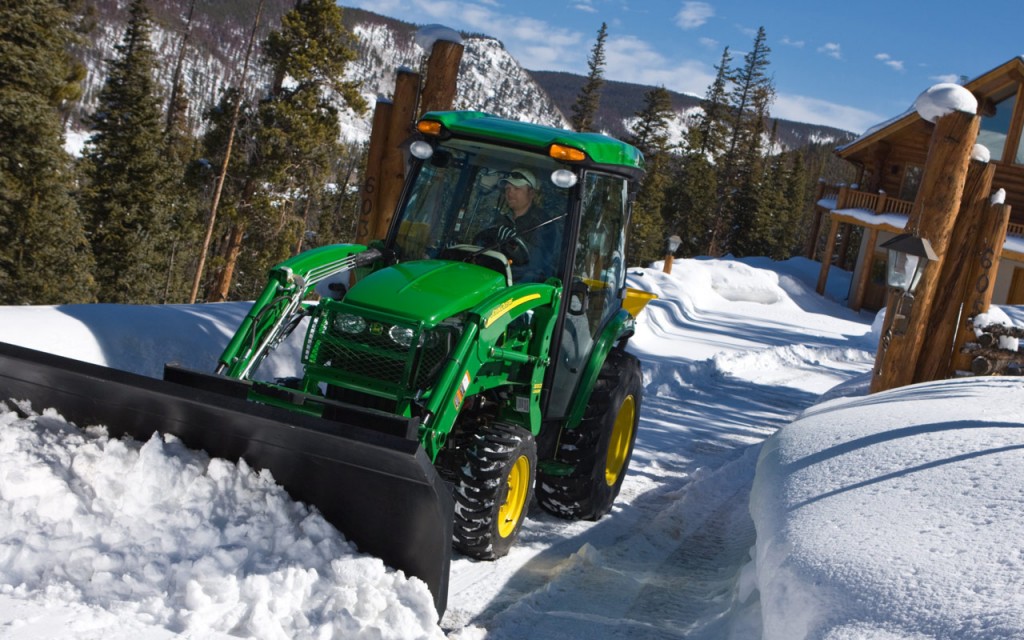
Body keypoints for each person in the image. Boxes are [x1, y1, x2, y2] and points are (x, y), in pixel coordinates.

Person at [487, 168, 563, 282]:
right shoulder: (501, 220)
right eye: (507, 188)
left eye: (516, 188)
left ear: (531, 193)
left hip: (526, 287)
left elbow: (542, 264)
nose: (510, 193)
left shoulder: (544, 224)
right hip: (495, 278)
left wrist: (517, 247)